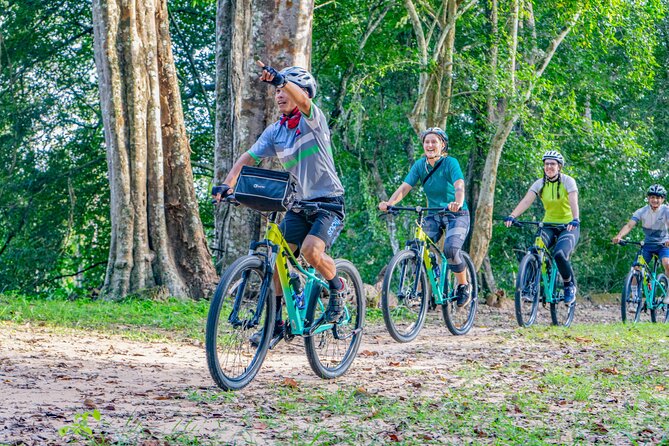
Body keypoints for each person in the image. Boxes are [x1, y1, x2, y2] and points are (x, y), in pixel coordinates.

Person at [213, 61, 346, 344]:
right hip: (299, 204)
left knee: (311, 251)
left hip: (329, 204)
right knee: (276, 261)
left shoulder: (314, 120)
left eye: (284, 90)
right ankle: (275, 323)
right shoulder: (276, 131)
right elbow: (248, 158)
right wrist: (228, 183)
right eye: (276, 92)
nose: (279, 95)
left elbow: (301, 99)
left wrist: (281, 79)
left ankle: (337, 286)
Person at [378, 127, 472, 307]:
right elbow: (405, 187)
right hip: (434, 214)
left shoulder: (450, 163)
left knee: (451, 250)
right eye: (426, 142)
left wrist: (458, 202)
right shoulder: (420, 165)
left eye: (434, 141)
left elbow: (459, 185)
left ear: (442, 145)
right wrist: (390, 203)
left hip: (457, 214)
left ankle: (463, 285)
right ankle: (425, 286)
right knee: (416, 246)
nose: (430, 145)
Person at [504, 150, 580, 305]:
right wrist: (512, 216)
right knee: (535, 250)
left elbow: (573, 201)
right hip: (548, 225)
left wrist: (575, 219)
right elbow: (526, 201)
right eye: (546, 164)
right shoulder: (539, 183)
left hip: (568, 226)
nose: (549, 167)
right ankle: (529, 288)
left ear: (559, 167)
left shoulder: (568, 181)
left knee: (559, 254)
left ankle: (568, 285)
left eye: (552, 164)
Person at [612, 184, 669, 304]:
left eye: (658, 198)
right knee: (636, 269)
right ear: (648, 198)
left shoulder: (666, 211)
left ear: (663, 199)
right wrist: (619, 236)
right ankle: (634, 298)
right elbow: (629, 225)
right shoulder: (642, 211)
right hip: (648, 246)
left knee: (667, 263)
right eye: (652, 197)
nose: (655, 200)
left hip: (663, 245)